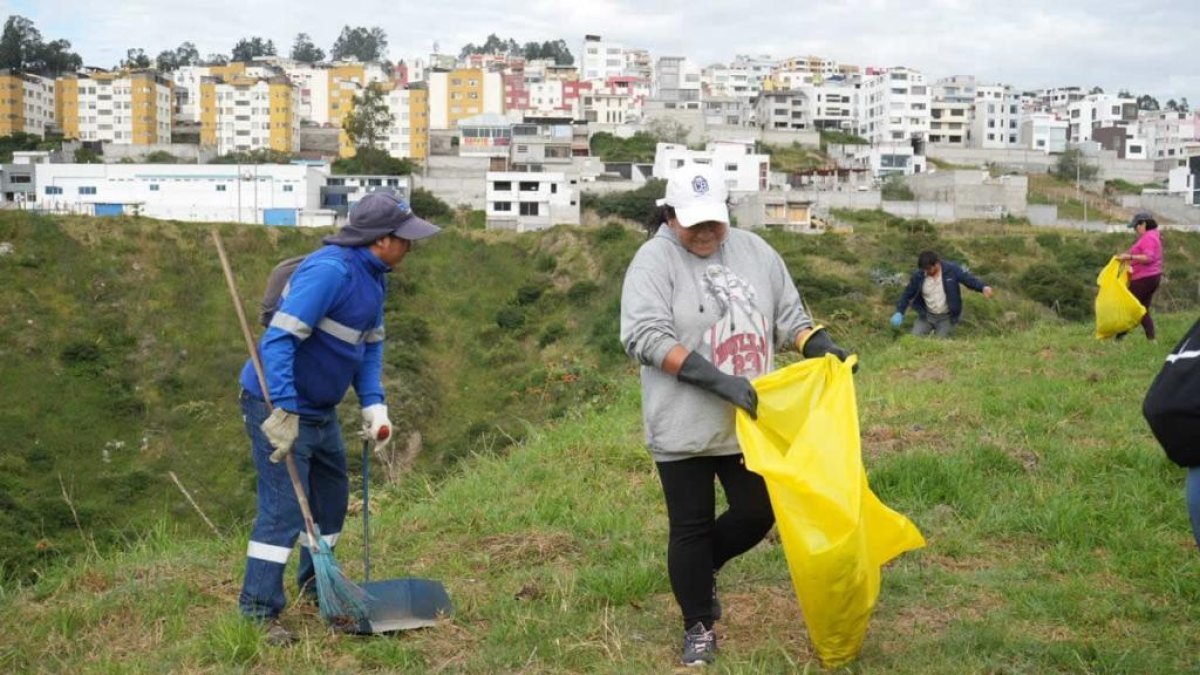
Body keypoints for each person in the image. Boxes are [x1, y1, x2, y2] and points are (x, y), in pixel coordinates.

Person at [619, 162, 854, 667]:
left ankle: (701, 571)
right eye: (692, 222)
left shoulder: (754, 251)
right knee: (690, 524)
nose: (705, 232)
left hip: (747, 422)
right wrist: (716, 379)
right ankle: (698, 623)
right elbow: (645, 337)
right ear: (669, 214)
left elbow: (790, 316)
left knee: (756, 513)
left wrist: (819, 346)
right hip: (682, 423)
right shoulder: (653, 261)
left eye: (714, 220)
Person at [237, 191, 441, 644]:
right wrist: (284, 409)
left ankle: (317, 588)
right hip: (278, 406)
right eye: (405, 239)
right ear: (380, 239)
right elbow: (277, 341)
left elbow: (369, 344)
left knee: (331, 502)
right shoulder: (330, 272)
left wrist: (374, 403)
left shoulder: (376, 276)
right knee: (284, 511)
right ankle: (257, 612)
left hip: (321, 411)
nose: (411, 246)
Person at [890, 250, 993, 337]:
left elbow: (968, 279)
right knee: (914, 338)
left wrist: (982, 287)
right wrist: (900, 312)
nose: (926, 272)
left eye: (928, 269)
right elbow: (907, 294)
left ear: (937, 264)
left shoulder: (951, 269)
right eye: (923, 269)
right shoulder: (919, 276)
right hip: (926, 316)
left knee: (941, 343)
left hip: (946, 317)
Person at [1116, 210, 1162, 340]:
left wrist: (1129, 256)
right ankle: (1151, 339)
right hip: (1150, 277)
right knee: (1142, 309)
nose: (1135, 230)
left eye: (1136, 226)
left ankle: (1119, 337)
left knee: (1129, 305)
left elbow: (1148, 258)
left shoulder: (1149, 237)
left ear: (1143, 224)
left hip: (1144, 278)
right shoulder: (1152, 236)